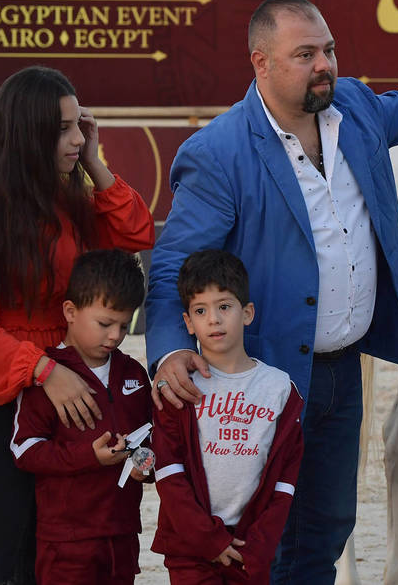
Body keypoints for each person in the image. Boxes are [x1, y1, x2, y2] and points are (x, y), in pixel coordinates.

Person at [143, 0, 398, 583]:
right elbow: (171, 266)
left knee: (328, 529)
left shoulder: (357, 111)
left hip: (341, 372)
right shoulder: (219, 153)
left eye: (330, 49)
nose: (324, 64)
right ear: (261, 64)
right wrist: (166, 351)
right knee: (263, 537)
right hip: (259, 378)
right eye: (305, 54)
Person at [0, 65, 155, 585]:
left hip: (61, 387)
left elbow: (137, 231)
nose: (77, 138)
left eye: (80, 125)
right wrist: (45, 372)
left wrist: (95, 164)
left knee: (48, 556)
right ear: (27, 133)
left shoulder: (70, 201)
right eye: (63, 129)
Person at [152, 249, 304, 584]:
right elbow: (169, 474)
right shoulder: (180, 388)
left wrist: (260, 547)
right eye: (201, 310)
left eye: (224, 306)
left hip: (250, 550)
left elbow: (284, 483)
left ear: (247, 312)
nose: (214, 319)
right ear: (188, 322)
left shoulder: (279, 390)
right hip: (190, 548)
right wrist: (208, 539)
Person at [11, 249, 153, 585]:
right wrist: (89, 456)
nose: (116, 335)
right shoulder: (47, 376)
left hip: (123, 535)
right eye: (105, 323)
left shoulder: (133, 372)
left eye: (124, 323)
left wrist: (145, 464)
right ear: (70, 311)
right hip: (65, 541)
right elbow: (24, 450)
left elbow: (148, 440)